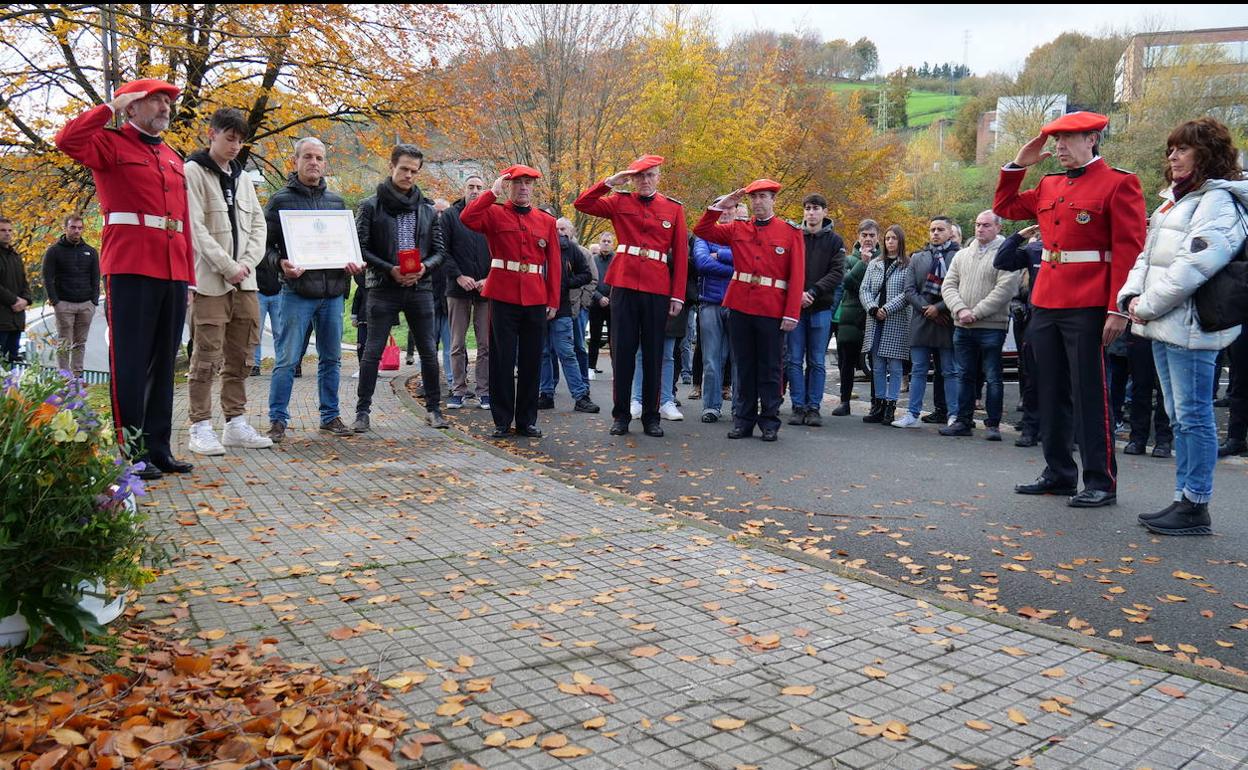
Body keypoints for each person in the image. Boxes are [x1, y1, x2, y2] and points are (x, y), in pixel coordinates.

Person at [996, 111, 1148, 508]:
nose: (1059, 147)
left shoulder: (1119, 183)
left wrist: (1119, 307)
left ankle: (1100, 480)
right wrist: (1018, 164)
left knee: (1089, 392)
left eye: (1068, 139)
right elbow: (1006, 206)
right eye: (1055, 140)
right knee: (1049, 389)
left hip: (1090, 300)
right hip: (1046, 298)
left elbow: (1129, 249)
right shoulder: (1049, 183)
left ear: (1092, 140)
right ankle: (1059, 472)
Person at [55, 79, 196, 480]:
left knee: (164, 362)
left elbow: (181, 220)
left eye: (168, 102)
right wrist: (109, 107)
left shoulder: (170, 155)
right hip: (131, 264)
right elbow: (66, 139)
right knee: (130, 361)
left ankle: (159, 447)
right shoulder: (111, 143)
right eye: (155, 100)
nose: (165, 108)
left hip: (171, 267)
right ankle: (131, 450)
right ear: (132, 107)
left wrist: (187, 278)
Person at [1118, 116, 1246, 535]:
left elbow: (1194, 266)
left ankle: (1195, 504)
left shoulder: (1217, 203)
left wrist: (1146, 305)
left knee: (1193, 417)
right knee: (1180, 417)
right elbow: (1147, 255)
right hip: (1163, 323)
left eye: (1184, 148)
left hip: (1190, 327)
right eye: (1171, 149)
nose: (1173, 156)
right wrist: (1130, 298)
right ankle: (1183, 498)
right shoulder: (1176, 199)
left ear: (1207, 154)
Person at [574, 155, 688, 438]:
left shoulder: (673, 209)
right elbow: (582, 204)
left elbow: (682, 258)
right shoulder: (619, 201)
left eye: (650, 175)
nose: (645, 181)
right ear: (632, 179)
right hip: (623, 284)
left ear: (659, 177)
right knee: (622, 352)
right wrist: (609, 183)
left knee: (653, 353)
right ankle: (621, 415)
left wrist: (678, 295)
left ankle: (651, 416)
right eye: (639, 176)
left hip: (657, 287)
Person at [183, 107, 272, 456]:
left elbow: (259, 227)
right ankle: (200, 426)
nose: (235, 146)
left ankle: (235, 423)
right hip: (210, 282)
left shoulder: (244, 177)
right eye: (229, 138)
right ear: (212, 134)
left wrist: (246, 265)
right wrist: (227, 266)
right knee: (206, 355)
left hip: (245, 283)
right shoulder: (192, 172)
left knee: (241, 354)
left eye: (239, 140)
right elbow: (195, 229)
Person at [264, 137, 363, 442]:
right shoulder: (280, 201)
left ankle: (330, 415)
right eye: (307, 157)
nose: (314, 163)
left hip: (333, 293)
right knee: (287, 359)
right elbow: (264, 247)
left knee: (331, 358)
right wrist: (280, 263)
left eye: (319, 158)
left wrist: (353, 264)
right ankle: (278, 419)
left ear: (324, 163)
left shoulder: (336, 203)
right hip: (297, 293)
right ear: (295, 161)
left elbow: (348, 245)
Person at [693, 180, 804, 441]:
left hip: (771, 307)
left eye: (763, 197)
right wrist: (723, 205)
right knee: (743, 366)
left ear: (773, 200)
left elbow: (797, 275)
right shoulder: (737, 228)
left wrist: (791, 313)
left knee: (770, 367)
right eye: (753, 198)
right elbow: (702, 229)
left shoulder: (789, 232)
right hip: (741, 305)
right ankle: (743, 421)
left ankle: (769, 421)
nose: (758, 202)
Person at [353, 144, 448, 432]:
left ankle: (433, 410)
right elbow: (361, 247)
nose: (409, 175)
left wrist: (424, 268)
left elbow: (440, 251)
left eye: (414, 171)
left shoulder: (428, 209)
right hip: (383, 286)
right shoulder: (370, 206)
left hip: (420, 286)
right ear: (391, 166)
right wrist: (389, 269)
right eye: (404, 169)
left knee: (429, 351)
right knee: (372, 351)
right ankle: (362, 412)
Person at [460, 165, 561, 439]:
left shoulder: (546, 221)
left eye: (528, 183)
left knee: (532, 360)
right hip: (504, 294)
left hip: (536, 297)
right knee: (502, 358)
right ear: (509, 186)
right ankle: (502, 420)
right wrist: (491, 193)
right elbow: (467, 218)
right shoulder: (494, 212)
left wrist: (553, 299)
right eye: (518, 183)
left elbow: (555, 264)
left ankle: (526, 420)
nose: (524, 188)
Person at [937, 210, 1021, 441]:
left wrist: (976, 312)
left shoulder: (1007, 255)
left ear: (998, 228)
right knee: (964, 374)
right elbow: (949, 285)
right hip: (962, 325)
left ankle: (993, 424)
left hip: (991, 326)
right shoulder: (962, 255)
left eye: (985, 225)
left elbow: (1005, 290)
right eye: (977, 224)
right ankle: (963, 421)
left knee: (993, 376)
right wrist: (960, 310)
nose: (980, 229)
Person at [787, 194, 845, 427]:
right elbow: (784, 268)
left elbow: (837, 272)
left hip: (820, 307)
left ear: (824, 211)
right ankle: (797, 406)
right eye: (808, 209)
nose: (811, 213)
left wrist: (813, 292)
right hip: (795, 307)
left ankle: (813, 407)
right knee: (793, 360)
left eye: (816, 208)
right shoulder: (793, 237)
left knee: (817, 361)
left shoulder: (835, 241)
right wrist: (797, 293)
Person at [900, 217, 960, 427]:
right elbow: (909, 290)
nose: (935, 233)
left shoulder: (958, 257)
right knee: (918, 370)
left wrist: (940, 308)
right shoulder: (918, 258)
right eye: (932, 229)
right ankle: (912, 415)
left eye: (940, 229)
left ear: (950, 232)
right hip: (922, 321)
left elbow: (961, 288)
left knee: (950, 371)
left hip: (946, 321)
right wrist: (928, 309)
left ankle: (954, 415)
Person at [442, 175, 492, 410]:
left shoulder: (491, 214)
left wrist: (489, 279)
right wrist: (458, 276)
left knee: (486, 344)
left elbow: (500, 250)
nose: (475, 191)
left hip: (486, 288)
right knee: (456, 343)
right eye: (471, 187)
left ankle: (484, 390)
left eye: (479, 188)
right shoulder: (451, 216)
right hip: (457, 288)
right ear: (464, 188)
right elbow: (442, 251)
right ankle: (458, 389)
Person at [692, 205, 745, 423]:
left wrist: (720, 255)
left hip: (738, 303)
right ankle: (711, 407)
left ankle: (739, 408)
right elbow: (702, 263)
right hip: (710, 304)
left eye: (729, 209)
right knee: (711, 360)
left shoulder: (744, 234)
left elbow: (750, 261)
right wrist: (736, 269)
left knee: (739, 360)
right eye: (720, 209)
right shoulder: (702, 236)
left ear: (735, 212)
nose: (725, 213)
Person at [993, 224, 1043, 447]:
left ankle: (1064, 433)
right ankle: (1030, 429)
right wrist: (1019, 236)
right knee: (1032, 379)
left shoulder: (1076, 249)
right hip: (1037, 320)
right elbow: (1002, 260)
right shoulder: (1035, 250)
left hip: (1066, 321)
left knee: (1064, 382)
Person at [538, 225, 598, 413]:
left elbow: (587, 275)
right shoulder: (535, 244)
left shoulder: (569, 248)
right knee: (543, 353)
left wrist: (564, 284)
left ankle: (580, 396)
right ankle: (546, 394)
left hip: (561, 308)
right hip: (537, 306)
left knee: (567, 353)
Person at [861, 225, 912, 423]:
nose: (890, 241)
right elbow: (864, 289)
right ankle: (879, 405)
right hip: (875, 319)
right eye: (888, 238)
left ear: (900, 241)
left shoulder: (907, 265)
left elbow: (907, 293)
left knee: (896, 365)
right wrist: (873, 308)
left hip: (895, 319)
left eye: (894, 238)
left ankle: (891, 405)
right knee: (878, 364)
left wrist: (887, 309)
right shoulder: (874, 264)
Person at [41, 214, 100, 377]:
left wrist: (93, 301)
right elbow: (47, 277)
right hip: (64, 304)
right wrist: (55, 301)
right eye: (73, 227)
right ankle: (64, 377)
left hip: (86, 304)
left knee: (80, 343)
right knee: (64, 342)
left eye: (80, 228)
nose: (76, 231)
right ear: (65, 228)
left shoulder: (90, 252)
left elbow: (95, 277)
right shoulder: (53, 251)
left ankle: (78, 376)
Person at [831, 220, 878, 416]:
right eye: (864, 235)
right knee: (846, 363)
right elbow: (847, 283)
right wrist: (863, 263)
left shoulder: (883, 261)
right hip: (849, 318)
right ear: (859, 237)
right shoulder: (848, 259)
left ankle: (877, 404)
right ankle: (844, 401)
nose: (868, 239)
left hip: (873, 317)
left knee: (876, 363)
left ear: (877, 238)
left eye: (872, 235)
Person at [0, 217, 31, 365]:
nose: (7, 233)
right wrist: (14, 300)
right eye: (3, 230)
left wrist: (25, 299)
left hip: (16, 319)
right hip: (2, 318)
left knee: (13, 362)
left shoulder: (15, 256)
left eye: (9, 230)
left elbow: (24, 281)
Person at [588, 231, 614, 374]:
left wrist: (609, 298)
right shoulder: (593, 260)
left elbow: (619, 282)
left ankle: (616, 370)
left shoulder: (617, 260)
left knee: (614, 340)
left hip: (613, 305)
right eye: (603, 241)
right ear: (599, 242)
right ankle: (591, 367)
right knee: (595, 337)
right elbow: (589, 282)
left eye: (609, 241)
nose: (606, 243)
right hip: (596, 304)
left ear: (612, 244)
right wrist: (599, 297)